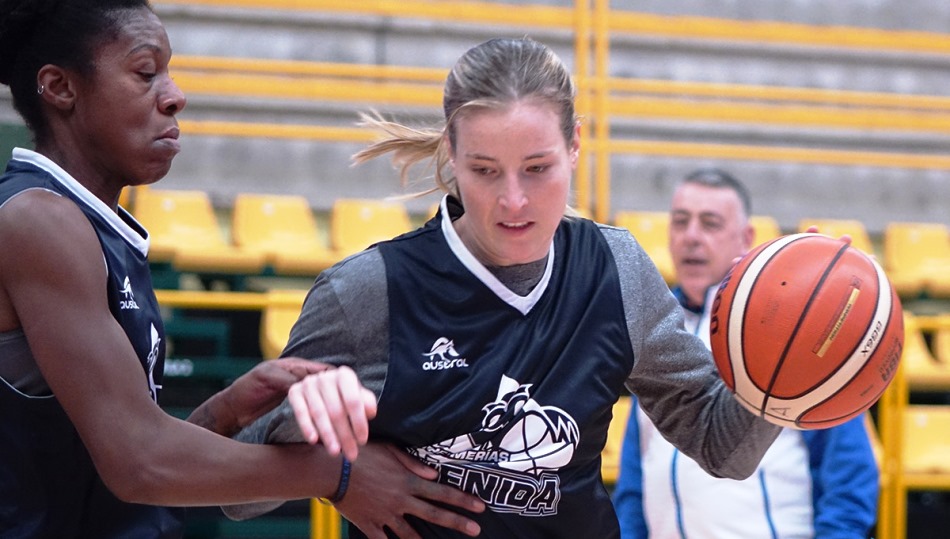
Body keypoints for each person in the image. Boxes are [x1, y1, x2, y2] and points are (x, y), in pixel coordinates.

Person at [228, 37, 784, 539]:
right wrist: (329, 459)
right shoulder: (367, 292)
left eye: (537, 169)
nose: (513, 201)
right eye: (486, 170)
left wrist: (785, 379)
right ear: (451, 150)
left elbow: (721, 447)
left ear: (575, 145)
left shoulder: (617, 269)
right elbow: (239, 498)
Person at [0, 1, 481, 537]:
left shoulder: (89, 224)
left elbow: (109, 463)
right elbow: (139, 463)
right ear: (60, 87)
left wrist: (224, 412)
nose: (174, 95)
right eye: (145, 72)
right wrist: (338, 473)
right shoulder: (38, 220)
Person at [611, 168, 880, 538]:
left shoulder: (789, 331)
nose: (691, 237)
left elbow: (849, 479)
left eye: (710, 223)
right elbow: (635, 477)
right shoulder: (651, 328)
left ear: (746, 238)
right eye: (680, 222)